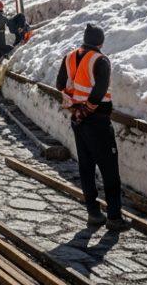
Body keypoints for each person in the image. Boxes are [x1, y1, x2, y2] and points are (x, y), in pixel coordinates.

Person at [55, 24, 128, 230]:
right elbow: (100, 89)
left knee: (86, 166)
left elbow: (60, 84)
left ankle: (93, 213)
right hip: (97, 120)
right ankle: (114, 216)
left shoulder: (69, 57)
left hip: (78, 120)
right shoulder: (100, 60)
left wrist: (75, 107)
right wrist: (87, 109)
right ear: (101, 42)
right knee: (109, 169)